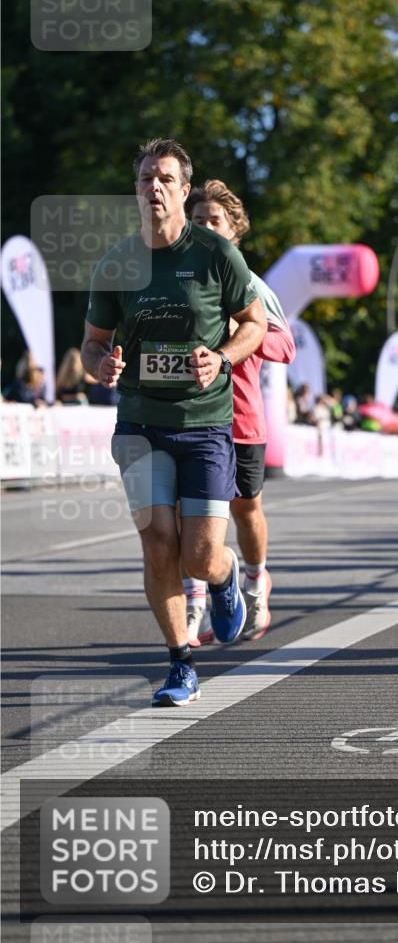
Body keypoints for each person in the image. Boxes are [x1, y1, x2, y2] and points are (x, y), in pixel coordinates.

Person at [81, 138, 267, 706]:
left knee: (198, 556)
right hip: (140, 423)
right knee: (158, 544)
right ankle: (181, 663)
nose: (154, 188)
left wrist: (223, 357)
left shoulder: (215, 253)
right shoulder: (116, 263)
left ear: (184, 191)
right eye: (145, 179)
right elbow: (92, 343)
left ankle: (225, 576)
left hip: (204, 425)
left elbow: (254, 323)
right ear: (136, 190)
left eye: (164, 179)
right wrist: (100, 364)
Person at [183, 179, 295, 645]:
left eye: (215, 221)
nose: (206, 228)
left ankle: (254, 581)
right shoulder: (172, 276)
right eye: (198, 221)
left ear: (234, 229)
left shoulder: (249, 283)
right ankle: (193, 603)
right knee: (184, 515)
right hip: (187, 417)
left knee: (245, 509)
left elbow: (285, 346)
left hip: (241, 418)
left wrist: (239, 328)